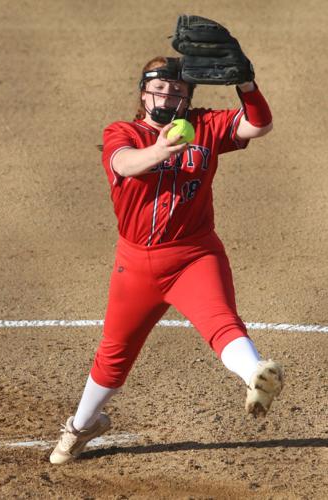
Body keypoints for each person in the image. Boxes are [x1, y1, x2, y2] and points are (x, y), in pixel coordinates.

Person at [50, 56, 284, 465]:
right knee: (114, 352)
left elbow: (258, 125)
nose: (168, 97)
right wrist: (160, 149)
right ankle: (81, 427)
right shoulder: (122, 132)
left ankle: (255, 375)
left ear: (187, 99)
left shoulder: (206, 126)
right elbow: (124, 163)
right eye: (160, 89)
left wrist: (247, 86)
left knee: (221, 321)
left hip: (195, 255)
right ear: (143, 92)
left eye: (178, 92)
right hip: (136, 264)